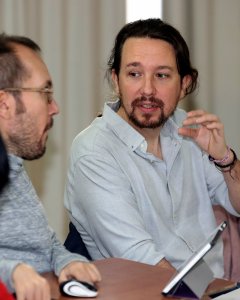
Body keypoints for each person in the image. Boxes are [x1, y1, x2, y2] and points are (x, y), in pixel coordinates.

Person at [64, 18, 240, 279]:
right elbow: (142, 260)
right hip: (150, 290)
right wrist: (206, 290)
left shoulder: (188, 127)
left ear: (185, 84)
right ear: (116, 80)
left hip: (205, 287)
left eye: (162, 75)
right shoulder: (93, 152)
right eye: (134, 74)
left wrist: (225, 158)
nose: (147, 89)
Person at [0, 33, 101, 300]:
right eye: (45, 93)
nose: (54, 107)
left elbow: (45, 244)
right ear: (4, 104)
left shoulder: (13, 165)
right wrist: (12, 271)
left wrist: (68, 261)